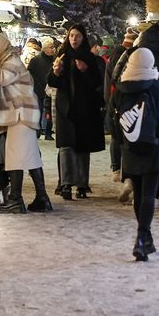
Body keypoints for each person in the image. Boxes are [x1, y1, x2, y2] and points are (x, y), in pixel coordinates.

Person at [111, 48, 159, 261]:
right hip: (154, 146)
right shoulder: (158, 86)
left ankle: (145, 238)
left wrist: (123, 142)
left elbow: (113, 119)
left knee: (139, 194)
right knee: (149, 194)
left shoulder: (120, 89)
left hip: (130, 147)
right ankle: (142, 237)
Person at [111, 22, 159, 201]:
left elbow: (115, 77)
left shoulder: (132, 55)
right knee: (158, 155)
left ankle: (130, 179)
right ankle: (154, 192)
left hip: (132, 113)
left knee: (132, 149)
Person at [0, 27, 52, 214]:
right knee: (30, 157)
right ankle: (41, 198)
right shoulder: (6, 59)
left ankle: (16, 199)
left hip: (21, 114)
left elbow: (2, 78)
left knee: (16, 158)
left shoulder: (11, 60)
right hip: (21, 114)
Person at [48, 24, 105, 199]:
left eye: (78, 36)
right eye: (72, 35)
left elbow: (96, 83)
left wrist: (85, 70)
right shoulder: (62, 56)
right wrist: (56, 72)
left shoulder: (89, 58)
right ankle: (65, 183)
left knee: (82, 147)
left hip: (85, 109)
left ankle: (81, 184)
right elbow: (51, 82)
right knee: (65, 147)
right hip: (66, 109)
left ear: (83, 38)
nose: (74, 39)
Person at [104, 28, 138, 183]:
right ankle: (118, 168)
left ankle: (118, 168)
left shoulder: (115, 55)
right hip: (120, 101)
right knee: (119, 137)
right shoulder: (123, 56)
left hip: (115, 100)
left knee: (118, 136)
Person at [27, 37, 57, 139]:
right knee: (38, 112)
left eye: (53, 47)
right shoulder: (35, 60)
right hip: (38, 91)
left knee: (49, 112)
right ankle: (37, 131)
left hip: (50, 90)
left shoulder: (55, 60)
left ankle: (48, 132)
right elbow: (30, 74)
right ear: (44, 49)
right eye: (51, 47)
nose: (53, 49)